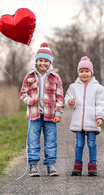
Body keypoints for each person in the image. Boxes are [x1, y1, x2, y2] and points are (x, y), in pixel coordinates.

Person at [20, 42, 64, 177]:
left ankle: (50, 165)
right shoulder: (29, 76)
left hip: (50, 116)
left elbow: (59, 97)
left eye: (46, 61)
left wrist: (58, 113)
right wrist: (28, 100)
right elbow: (23, 93)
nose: (42, 63)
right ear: (36, 61)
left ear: (50, 62)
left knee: (51, 141)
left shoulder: (55, 77)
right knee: (33, 140)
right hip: (34, 115)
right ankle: (33, 165)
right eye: (40, 60)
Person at [64, 56, 104, 176]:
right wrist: (70, 102)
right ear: (78, 72)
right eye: (81, 71)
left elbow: (101, 103)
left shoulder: (98, 88)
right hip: (78, 122)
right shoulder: (73, 87)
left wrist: (99, 117)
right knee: (79, 144)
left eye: (87, 71)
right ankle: (77, 166)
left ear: (91, 73)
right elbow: (67, 98)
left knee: (92, 143)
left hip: (92, 121)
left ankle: (92, 166)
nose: (84, 74)